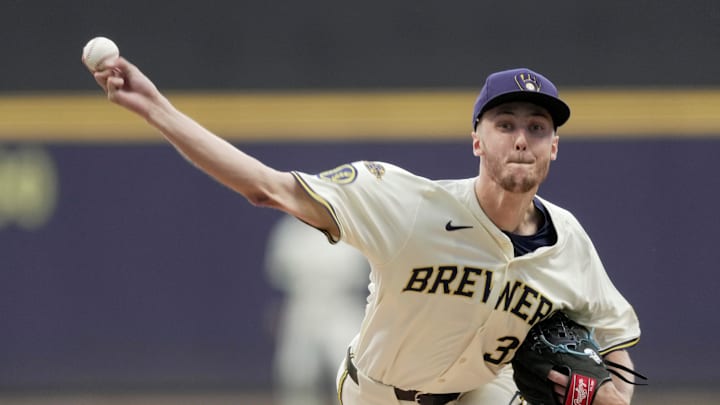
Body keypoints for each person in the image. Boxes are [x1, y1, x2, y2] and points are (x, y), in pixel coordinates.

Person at [90, 58, 641, 405]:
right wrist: (157, 109)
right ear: (477, 140)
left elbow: (613, 335)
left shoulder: (568, 240)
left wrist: (612, 395)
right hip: (379, 394)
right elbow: (267, 187)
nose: (522, 139)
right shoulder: (407, 205)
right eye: (506, 124)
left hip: (482, 390)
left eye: (537, 128)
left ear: (554, 146)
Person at [265, 214, 369, 405]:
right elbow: (278, 279)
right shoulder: (290, 231)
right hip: (303, 306)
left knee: (352, 380)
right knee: (297, 378)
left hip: (342, 306)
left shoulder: (351, 228)